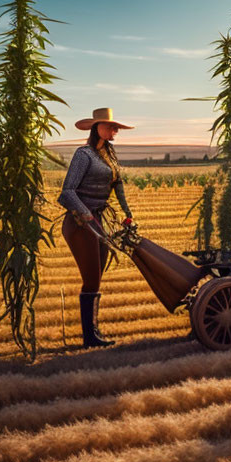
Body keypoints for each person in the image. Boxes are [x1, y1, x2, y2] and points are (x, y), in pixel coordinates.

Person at [57, 107, 135, 348]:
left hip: (97, 221)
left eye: (116, 128)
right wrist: (85, 213)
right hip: (80, 223)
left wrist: (127, 213)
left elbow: (118, 185)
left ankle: (92, 332)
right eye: (111, 127)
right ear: (96, 128)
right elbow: (67, 192)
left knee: (97, 276)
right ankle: (89, 337)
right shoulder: (84, 155)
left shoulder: (109, 155)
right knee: (91, 278)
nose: (115, 131)